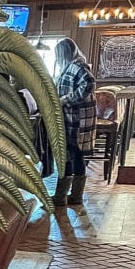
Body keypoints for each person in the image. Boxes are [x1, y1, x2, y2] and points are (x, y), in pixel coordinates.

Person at [52, 37, 96, 207]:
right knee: (74, 157)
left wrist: (67, 99)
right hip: (75, 119)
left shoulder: (76, 66)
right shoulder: (73, 66)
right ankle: (71, 196)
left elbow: (89, 83)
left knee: (70, 157)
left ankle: (63, 196)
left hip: (76, 121)